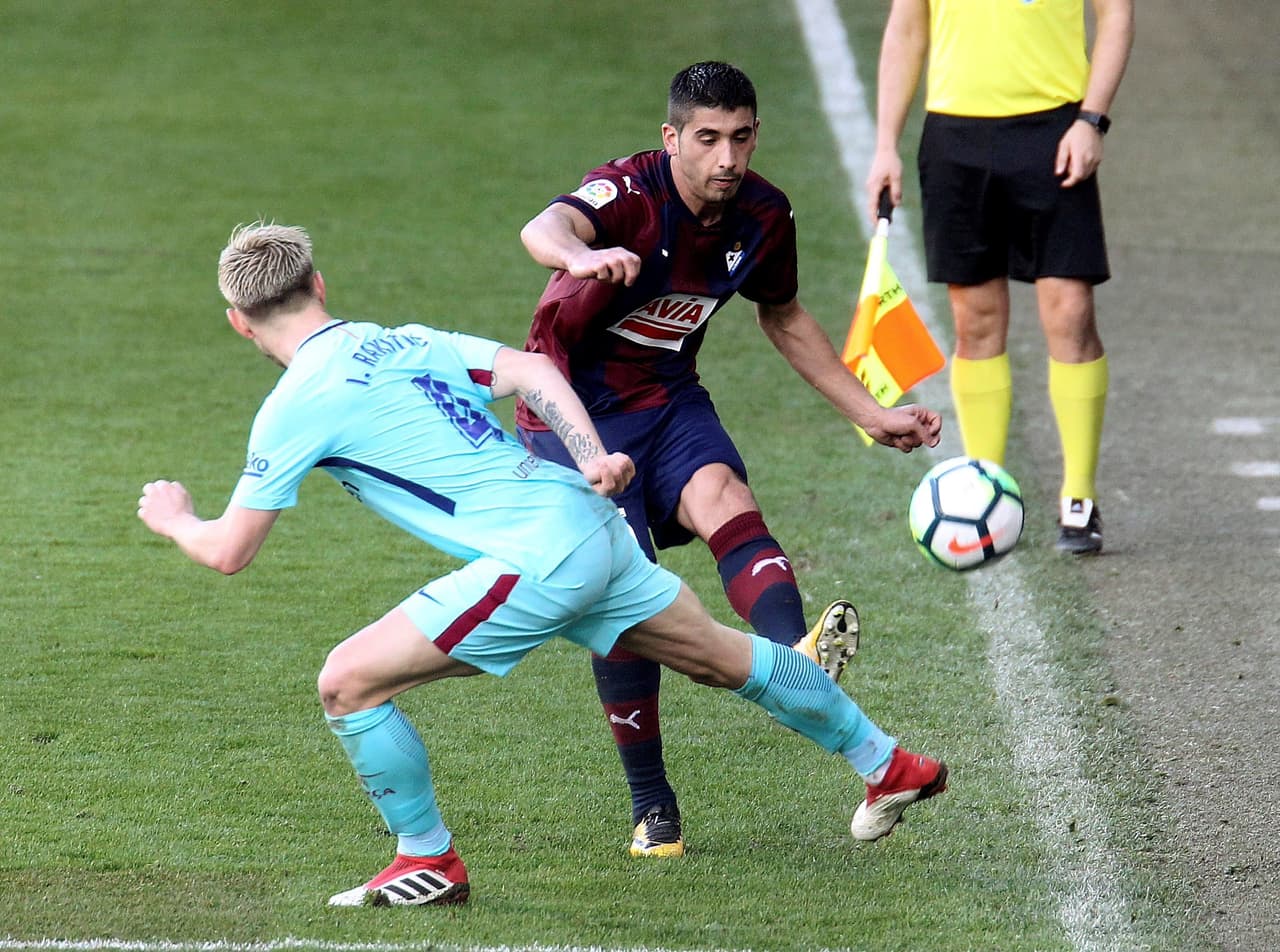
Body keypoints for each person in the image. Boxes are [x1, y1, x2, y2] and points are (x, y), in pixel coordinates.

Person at [136, 222, 948, 907]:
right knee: (724, 657)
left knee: (346, 684)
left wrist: (176, 521)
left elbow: (230, 551)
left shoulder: (292, 407)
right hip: (586, 517)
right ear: (319, 281)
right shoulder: (402, 339)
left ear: (240, 323)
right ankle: (887, 762)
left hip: (537, 558)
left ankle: (428, 857)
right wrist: (593, 455)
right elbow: (528, 368)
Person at [517, 61, 942, 856]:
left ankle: (796, 655)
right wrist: (576, 259)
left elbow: (782, 316)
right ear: (672, 137)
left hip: (667, 400)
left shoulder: (762, 214)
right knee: (626, 604)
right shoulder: (630, 195)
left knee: (726, 499)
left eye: (740, 138)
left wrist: (872, 413)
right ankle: (653, 808)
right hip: (570, 414)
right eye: (706, 139)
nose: (725, 159)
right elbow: (545, 228)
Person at [866, 0, 1134, 555]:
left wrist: (1091, 119)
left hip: (1055, 129)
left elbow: (1116, 17)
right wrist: (885, 145)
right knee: (976, 322)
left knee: (1070, 311)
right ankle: (983, 487)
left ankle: (1078, 498)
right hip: (955, 141)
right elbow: (906, 29)